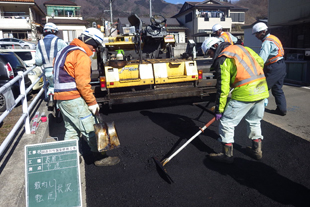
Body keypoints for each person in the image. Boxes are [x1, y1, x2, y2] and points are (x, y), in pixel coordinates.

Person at [53, 28, 120, 166]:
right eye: (94, 45)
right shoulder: (80, 55)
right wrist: (91, 102)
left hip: (61, 99)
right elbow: (83, 84)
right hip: (74, 99)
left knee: (72, 129)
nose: (95, 49)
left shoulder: (63, 51)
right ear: (88, 40)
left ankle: (69, 157)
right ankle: (100, 157)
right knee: (89, 128)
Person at [201, 37, 269, 163]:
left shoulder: (224, 57)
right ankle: (256, 151)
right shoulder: (243, 48)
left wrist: (219, 110)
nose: (210, 56)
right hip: (261, 88)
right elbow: (260, 61)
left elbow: (223, 88)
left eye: (209, 53)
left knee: (227, 122)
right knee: (254, 121)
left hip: (245, 93)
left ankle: (227, 155)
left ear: (214, 46)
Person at [252, 22, 287, 116]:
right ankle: (282, 110)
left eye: (257, 34)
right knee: (277, 89)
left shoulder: (267, 42)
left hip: (273, 67)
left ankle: (254, 110)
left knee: (261, 88)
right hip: (281, 65)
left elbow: (261, 59)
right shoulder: (274, 38)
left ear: (263, 32)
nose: (256, 36)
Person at [35, 22, 67, 109]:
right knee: (60, 87)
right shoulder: (60, 42)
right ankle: (59, 107)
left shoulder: (40, 43)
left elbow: (38, 61)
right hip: (59, 71)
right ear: (54, 32)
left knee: (52, 85)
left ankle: (51, 96)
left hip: (47, 72)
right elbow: (67, 56)